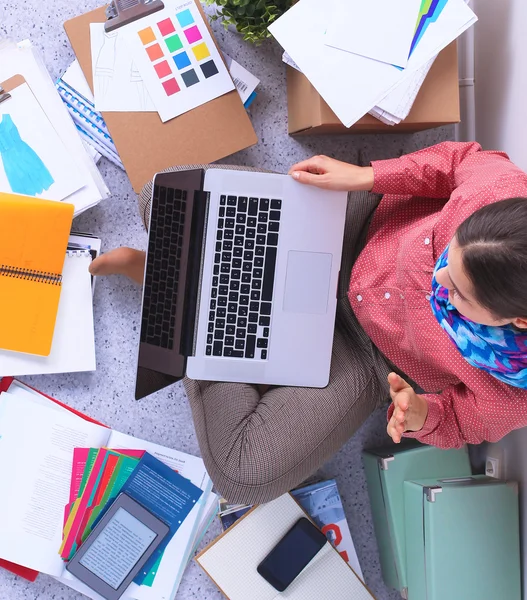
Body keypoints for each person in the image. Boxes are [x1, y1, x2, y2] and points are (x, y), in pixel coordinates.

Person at [91, 142, 527, 504]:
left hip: (368, 356)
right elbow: (457, 161)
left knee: (242, 474)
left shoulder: (514, 394)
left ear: (517, 321)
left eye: (459, 293)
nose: (440, 279)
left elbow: (463, 422)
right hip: (357, 230)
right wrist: (364, 176)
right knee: (163, 196)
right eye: (448, 256)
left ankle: (177, 292)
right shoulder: (503, 194)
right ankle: (191, 296)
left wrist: (421, 415)